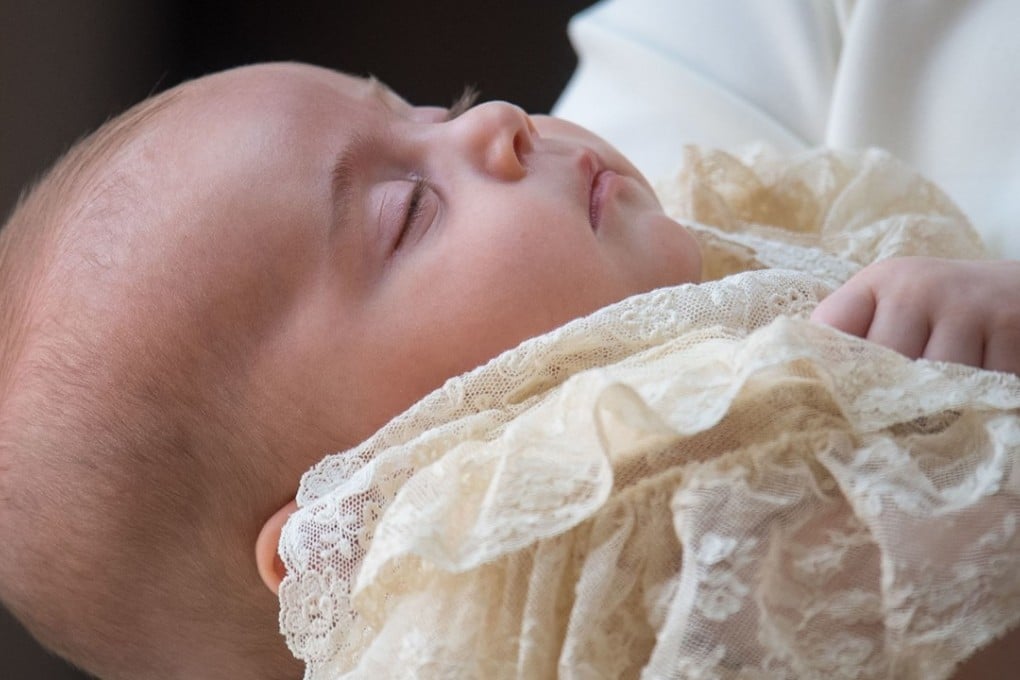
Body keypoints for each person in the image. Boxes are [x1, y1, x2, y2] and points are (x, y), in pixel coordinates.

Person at [0, 62, 1016, 680]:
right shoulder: (607, 563)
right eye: (410, 209)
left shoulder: (719, 237)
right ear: (344, 525)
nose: (497, 127)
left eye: (432, 111)